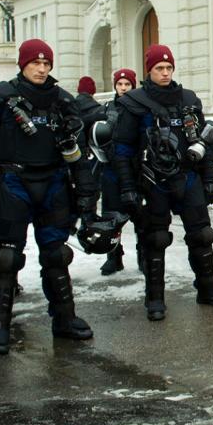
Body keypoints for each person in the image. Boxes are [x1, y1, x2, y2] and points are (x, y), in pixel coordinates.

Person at [0, 38, 99, 354]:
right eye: (35, 63)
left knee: (57, 254)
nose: (41, 68)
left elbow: (79, 151)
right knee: (6, 257)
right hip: (13, 182)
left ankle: (64, 320)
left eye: (46, 63)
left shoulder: (63, 101)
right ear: (23, 64)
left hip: (53, 182)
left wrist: (86, 191)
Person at [111, 44, 213, 319]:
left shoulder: (188, 99)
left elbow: (204, 142)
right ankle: (155, 298)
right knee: (156, 238)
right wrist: (128, 188)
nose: (165, 73)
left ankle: (207, 287)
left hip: (187, 176)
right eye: (158, 69)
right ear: (149, 71)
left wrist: (210, 179)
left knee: (202, 234)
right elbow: (123, 149)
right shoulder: (134, 103)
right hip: (153, 180)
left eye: (168, 68)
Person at [90, 68, 139, 275]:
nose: (123, 88)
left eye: (127, 84)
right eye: (120, 84)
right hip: (110, 168)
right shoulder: (108, 107)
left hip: (135, 167)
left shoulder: (140, 107)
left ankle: (144, 255)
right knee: (111, 216)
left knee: (142, 216)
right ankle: (114, 255)